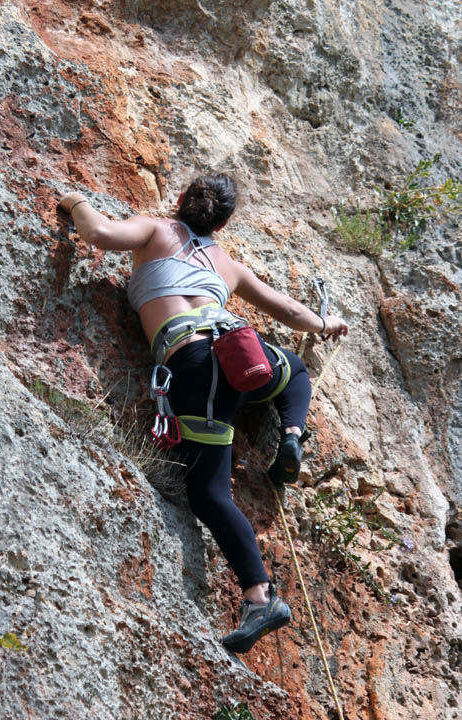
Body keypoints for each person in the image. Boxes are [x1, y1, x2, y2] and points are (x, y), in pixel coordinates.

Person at [58, 174, 348, 654]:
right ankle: (292, 435)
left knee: (209, 494)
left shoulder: (154, 230)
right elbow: (289, 310)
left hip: (195, 364)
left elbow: (100, 235)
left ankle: (261, 597)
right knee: (294, 371)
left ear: (180, 202)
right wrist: (326, 323)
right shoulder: (226, 265)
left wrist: (75, 200)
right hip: (240, 351)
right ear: (224, 222)